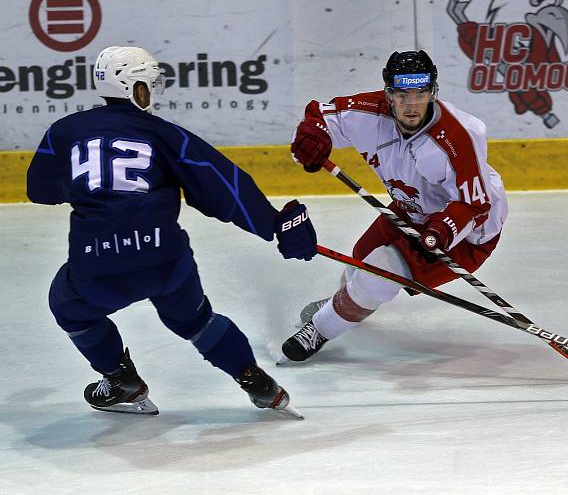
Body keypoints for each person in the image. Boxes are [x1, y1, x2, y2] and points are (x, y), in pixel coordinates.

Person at [27, 46, 316, 416]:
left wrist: (90, 191)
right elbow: (223, 187)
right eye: (148, 84)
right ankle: (256, 380)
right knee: (196, 321)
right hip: (164, 258)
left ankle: (121, 381)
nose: (153, 92)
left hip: (97, 262)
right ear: (133, 87)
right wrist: (274, 224)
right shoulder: (163, 133)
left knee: (68, 307)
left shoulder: (62, 132)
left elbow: (40, 190)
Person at [282, 49, 508, 362]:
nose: (412, 105)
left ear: (433, 91)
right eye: (402, 95)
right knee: (360, 260)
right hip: (413, 207)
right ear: (389, 93)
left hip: (469, 233)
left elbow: (474, 204)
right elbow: (317, 118)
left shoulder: (460, 136)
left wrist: (444, 229)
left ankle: (320, 329)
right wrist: (310, 140)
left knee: (378, 273)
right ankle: (345, 303)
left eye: (420, 94)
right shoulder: (369, 112)